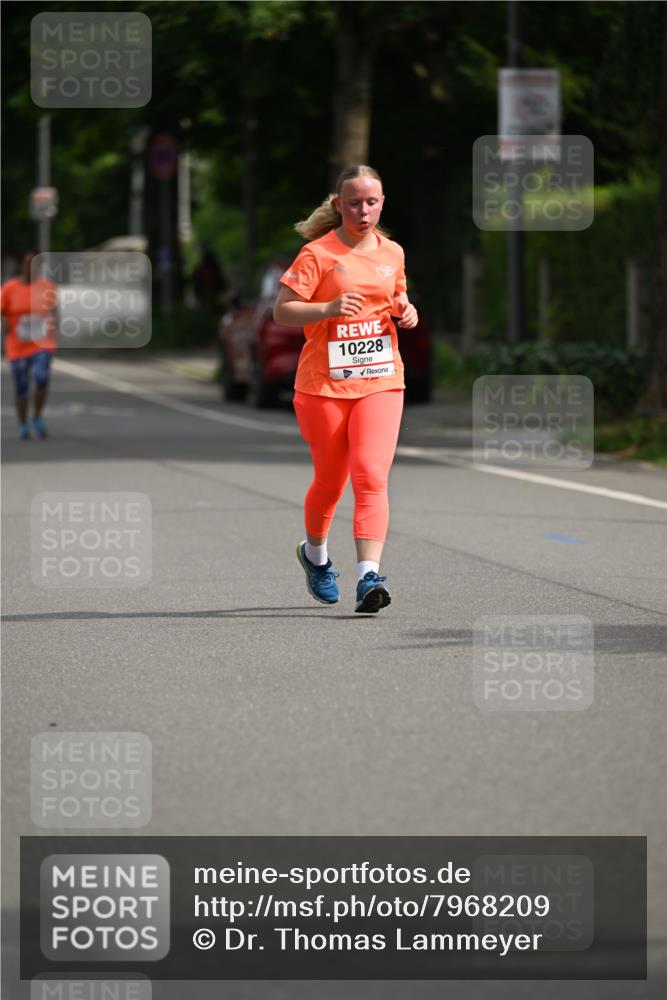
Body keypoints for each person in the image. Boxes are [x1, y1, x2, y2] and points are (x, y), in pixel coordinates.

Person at [273, 164, 418, 614]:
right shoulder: (317, 254)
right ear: (339, 205)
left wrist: (406, 311)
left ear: (382, 204)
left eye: (371, 202)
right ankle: (315, 555)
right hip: (323, 386)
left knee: (371, 475)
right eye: (354, 202)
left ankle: (368, 577)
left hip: (381, 379)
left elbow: (395, 299)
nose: (363, 210)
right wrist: (328, 308)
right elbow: (282, 311)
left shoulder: (392, 252)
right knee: (331, 481)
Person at [1, 251, 58, 440]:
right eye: (28, 264)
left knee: (41, 376)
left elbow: (54, 311)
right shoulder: (10, 288)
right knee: (22, 385)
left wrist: (54, 323)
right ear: (23, 266)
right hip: (17, 345)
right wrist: (4, 324)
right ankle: (23, 423)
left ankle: (37, 417)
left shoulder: (46, 287)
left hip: (42, 343)